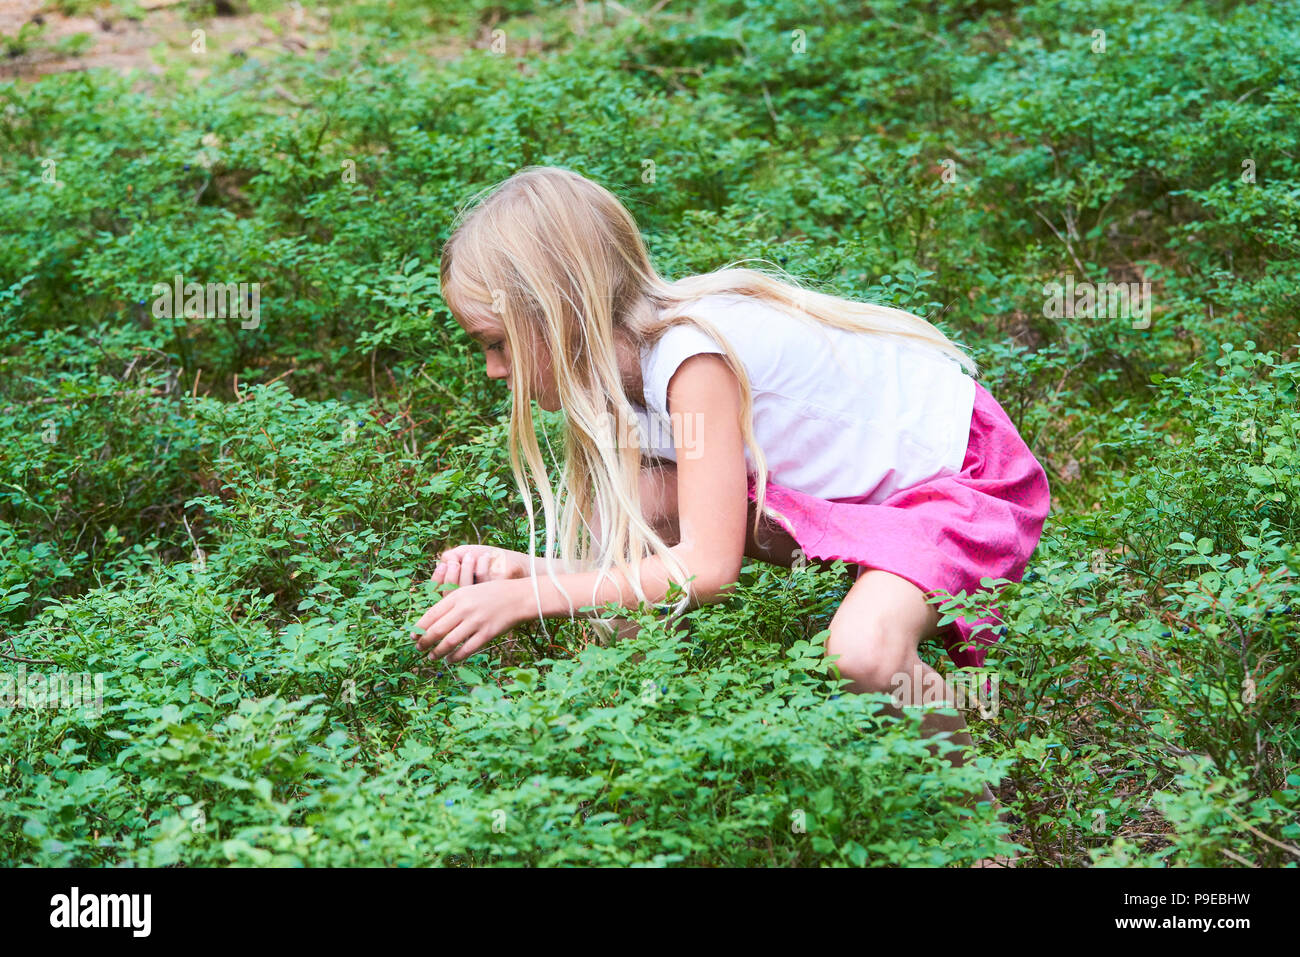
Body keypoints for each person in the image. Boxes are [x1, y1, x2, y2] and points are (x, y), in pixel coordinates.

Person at [412, 165, 1050, 860]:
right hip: (843, 505)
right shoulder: (618, 374)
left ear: (556, 308)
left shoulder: (689, 360)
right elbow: (659, 556)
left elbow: (707, 569)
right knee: (643, 498)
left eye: (496, 342)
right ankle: (652, 769)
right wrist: (537, 573)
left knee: (862, 651)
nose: (493, 372)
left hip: (961, 482)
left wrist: (531, 596)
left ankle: (982, 828)